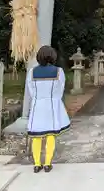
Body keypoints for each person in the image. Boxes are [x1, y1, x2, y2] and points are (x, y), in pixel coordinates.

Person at [27, 45, 70, 173]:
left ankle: (36, 164)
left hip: (37, 105)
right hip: (51, 105)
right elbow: (60, 90)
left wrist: (38, 98)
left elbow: (31, 91)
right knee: (50, 134)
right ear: (53, 56)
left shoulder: (32, 72)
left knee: (36, 135)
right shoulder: (58, 71)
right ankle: (47, 164)